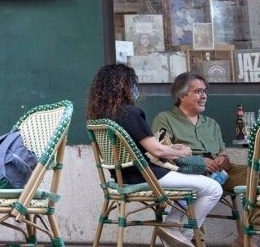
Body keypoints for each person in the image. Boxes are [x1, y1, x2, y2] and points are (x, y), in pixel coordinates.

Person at [86, 64, 222, 247]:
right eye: (132, 83)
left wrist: (171, 147)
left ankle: (172, 228)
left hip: (123, 178)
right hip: (147, 175)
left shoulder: (100, 116)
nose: (135, 88)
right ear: (123, 85)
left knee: (192, 189)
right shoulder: (130, 113)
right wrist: (180, 151)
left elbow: (145, 146)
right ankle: (183, 235)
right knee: (213, 188)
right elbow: (156, 150)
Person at [151, 72, 255, 247]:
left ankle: (246, 237)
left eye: (205, 91)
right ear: (182, 95)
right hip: (187, 172)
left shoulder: (211, 123)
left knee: (256, 177)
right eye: (199, 91)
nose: (204, 96)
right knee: (198, 187)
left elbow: (222, 150)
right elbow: (162, 155)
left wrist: (223, 158)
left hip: (220, 172)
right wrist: (198, 161)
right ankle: (193, 239)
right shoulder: (165, 118)